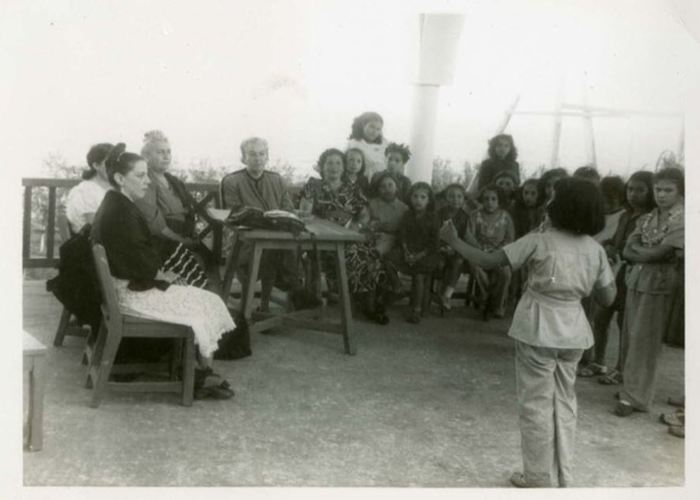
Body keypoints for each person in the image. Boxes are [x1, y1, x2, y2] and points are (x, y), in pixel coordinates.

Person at [440, 177, 616, 488]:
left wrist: (454, 241)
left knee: (536, 403)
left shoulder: (539, 240)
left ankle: (537, 477)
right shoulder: (595, 249)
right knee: (564, 403)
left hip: (539, 327)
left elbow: (490, 260)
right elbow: (607, 298)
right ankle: (563, 477)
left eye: (553, 199)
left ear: (559, 207)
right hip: (574, 331)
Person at [91, 143, 237, 399]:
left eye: (147, 174)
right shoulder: (122, 213)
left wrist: (161, 274)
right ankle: (201, 376)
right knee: (205, 301)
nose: (147, 181)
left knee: (203, 299)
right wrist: (164, 276)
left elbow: (136, 256)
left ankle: (201, 370)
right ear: (119, 178)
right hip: (129, 295)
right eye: (140, 175)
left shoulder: (116, 203)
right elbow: (141, 263)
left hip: (121, 289)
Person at [615, 167, 684, 417]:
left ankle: (637, 396)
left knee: (646, 339)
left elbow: (661, 252)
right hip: (637, 279)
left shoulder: (683, 218)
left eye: (668, 190)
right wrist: (646, 253)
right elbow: (626, 249)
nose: (662, 195)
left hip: (662, 284)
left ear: (680, 191)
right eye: (658, 189)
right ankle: (631, 387)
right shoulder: (648, 217)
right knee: (631, 335)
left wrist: (642, 253)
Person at [300, 148, 390, 324]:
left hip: (347, 238)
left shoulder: (353, 189)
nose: (334, 167)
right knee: (354, 255)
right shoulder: (313, 185)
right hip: (321, 240)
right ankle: (348, 301)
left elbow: (364, 213)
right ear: (322, 166)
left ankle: (368, 305)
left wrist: (357, 227)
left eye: (338, 163)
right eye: (329, 163)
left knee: (370, 256)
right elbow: (305, 213)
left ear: (343, 168)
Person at [220, 137, 301, 312]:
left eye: (262, 154)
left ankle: (273, 302)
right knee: (275, 252)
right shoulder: (232, 181)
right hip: (243, 242)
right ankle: (291, 292)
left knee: (285, 248)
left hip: (274, 240)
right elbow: (233, 214)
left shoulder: (277, 180)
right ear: (243, 158)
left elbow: (288, 208)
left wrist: (282, 216)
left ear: (267, 157)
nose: (257, 158)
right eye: (252, 154)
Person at [596, 172, 655, 385]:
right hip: (619, 272)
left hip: (635, 274)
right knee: (601, 315)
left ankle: (621, 368)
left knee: (625, 323)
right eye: (630, 189)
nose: (634, 194)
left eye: (640, 190)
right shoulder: (625, 215)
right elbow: (618, 238)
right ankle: (598, 361)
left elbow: (641, 245)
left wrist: (619, 249)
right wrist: (609, 245)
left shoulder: (650, 218)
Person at [133, 130, 209, 288]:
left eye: (168, 152)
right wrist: (183, 241)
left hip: (181, 237)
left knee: (210, 257)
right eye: (160, 152)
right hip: (161, 244)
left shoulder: (172, 180)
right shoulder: (145, 182)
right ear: (146, 157)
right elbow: (155, 226)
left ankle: (212, 302)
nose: (166, 156)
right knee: (198, 261)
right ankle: (203, 302)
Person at [386, 182, 442, 324]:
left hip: (427, 253)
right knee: (387, 259)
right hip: (408, 250)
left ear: (429, 200)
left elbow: (433, 243)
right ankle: (398, 286)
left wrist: (418, 255)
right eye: (415, 196)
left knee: (419, 273)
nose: (418, 200)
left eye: (423, 197)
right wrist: (405, 251)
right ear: (410, 198)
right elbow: (402, 236)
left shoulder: (433, 218)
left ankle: (416, 309)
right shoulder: (407, 215)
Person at [466, 184, 515, 320]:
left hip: (499, 254)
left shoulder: (506, 217)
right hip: (479, 252)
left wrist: (499, 251)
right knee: (476, 268)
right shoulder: (475, 215)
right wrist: (480, 249)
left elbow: (510, 238)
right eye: (486, 199)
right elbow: (469, 235)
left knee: (505, 273)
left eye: (494, 199)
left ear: (499, 200)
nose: (489, 202)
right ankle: (487, 297)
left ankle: (497, 305)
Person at [65, 143, 114, 233]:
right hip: (91, 243)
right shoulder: (86, 191)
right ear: (96, 166)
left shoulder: (113, 188)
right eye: (109, 163)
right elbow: (96, 228)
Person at [436, 184, 470, 310]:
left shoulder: (465, 217)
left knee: (457, 263)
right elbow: (434, 233)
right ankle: (438, 290)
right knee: (440, 263)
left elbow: (465, 236)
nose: (456, 199)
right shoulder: (439, 214)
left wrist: (454, 248)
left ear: (464, 199)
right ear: (445, 198)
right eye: (451, 196)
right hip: (440, 248)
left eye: (459, 196)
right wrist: (442, 247)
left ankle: (447, 294)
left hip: (457, 250)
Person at [367, 171, 409, 258]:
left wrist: (393, 228)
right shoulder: (372, 204)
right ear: (378, 190)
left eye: (390, 185)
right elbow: (366, 221)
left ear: (396, 188)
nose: (387, 189)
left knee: (389, 239)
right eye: (383, 186)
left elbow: (405, 229)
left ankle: (376, 252)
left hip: (393, 238)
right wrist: (374, 225)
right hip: (374, 234)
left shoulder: (404, 208)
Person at [346, 111, 389, 178]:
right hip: (363, 180)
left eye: (378, 129)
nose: (374, 132)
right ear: (363, 125)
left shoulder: (384, 143)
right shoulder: (354, 143)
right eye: (371, 127)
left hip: (382, 181)